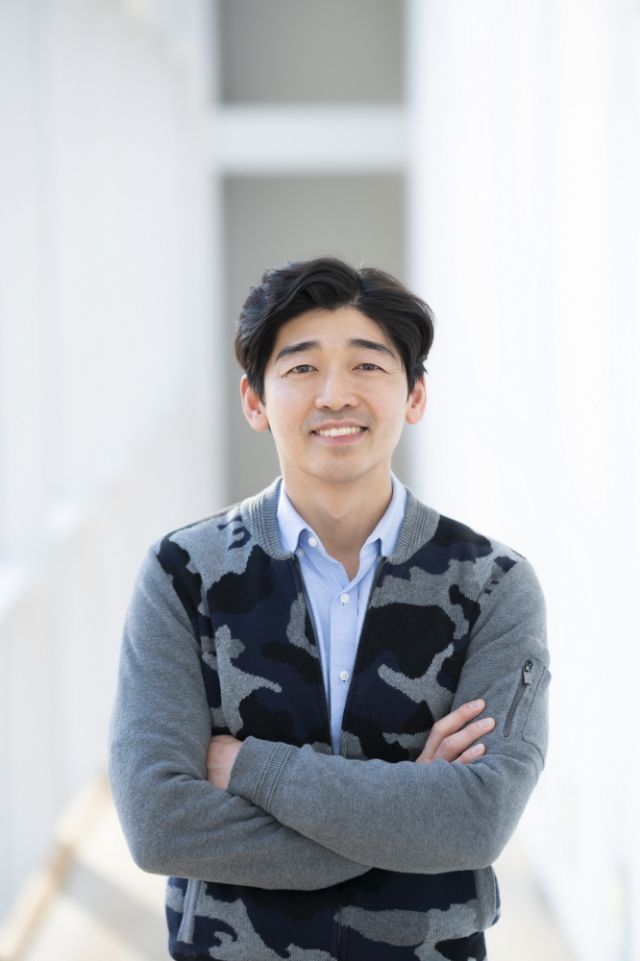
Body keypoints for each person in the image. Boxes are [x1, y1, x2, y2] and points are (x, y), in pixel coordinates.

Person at [109, 257, 549, 961]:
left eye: (368, 365)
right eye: (302, 368)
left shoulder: (493, 584)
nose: (336, 394)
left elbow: (477, 821)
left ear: (415, 395)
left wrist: (251, 769)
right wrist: (410, 815)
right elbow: (159, 824)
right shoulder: (183, 574)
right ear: (255, 400)